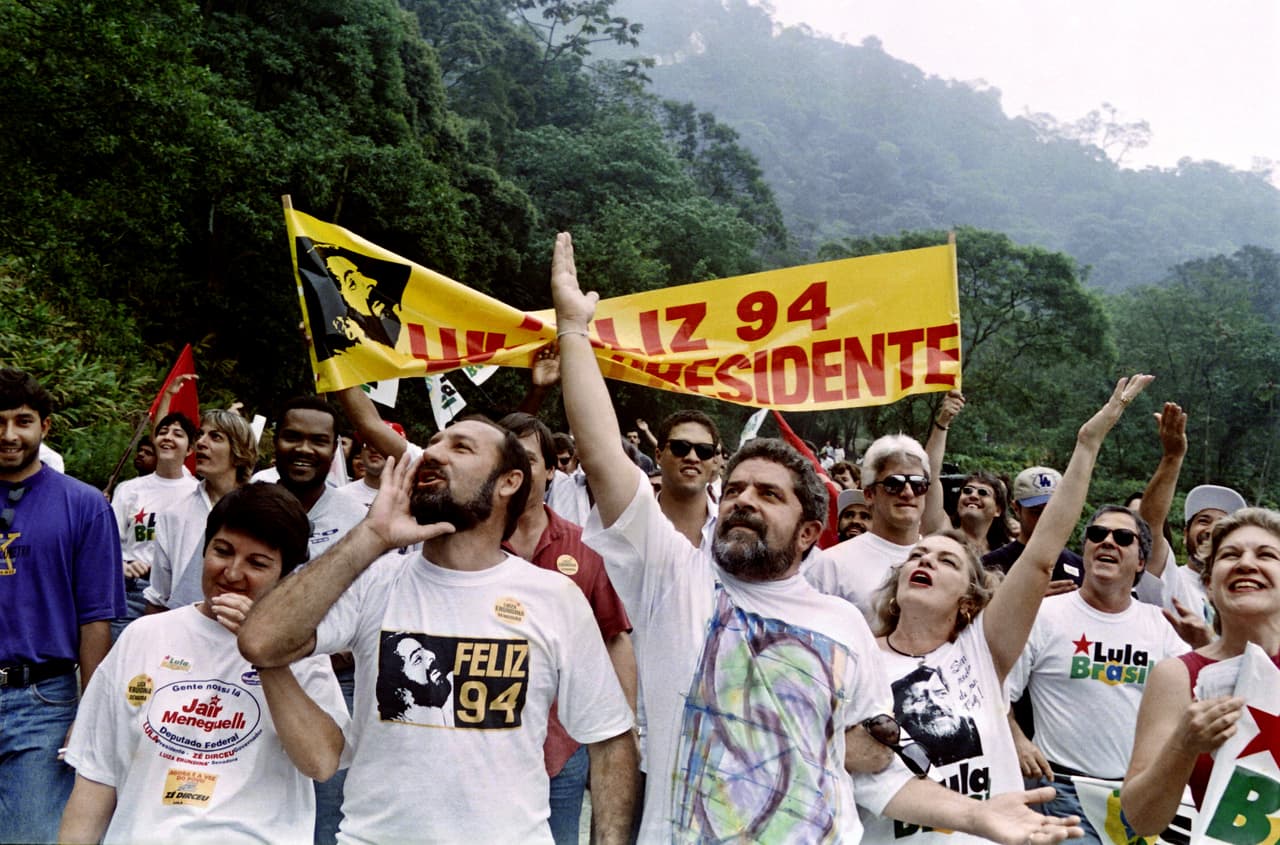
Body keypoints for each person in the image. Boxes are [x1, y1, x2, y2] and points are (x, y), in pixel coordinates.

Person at [550, 232, 1081, 844]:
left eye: (769, 494)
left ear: (809, 532)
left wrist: (976, 815)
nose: (744, 499)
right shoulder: (674, 579)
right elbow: (603, 457)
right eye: (737, 488)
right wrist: (574, 331)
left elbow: (877, 775)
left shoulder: (845, 625)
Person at [238, 417, 638, 843]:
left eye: (460, 447)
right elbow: (260, 641)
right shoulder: (375, 579)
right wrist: (371, 536)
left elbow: (610, 739)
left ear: (508, 481)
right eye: (433, 442)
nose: (432, 453)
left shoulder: (554, 597)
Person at [859, 375, 1151, 844]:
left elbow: (1040, 554)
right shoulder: (856, 655)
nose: (925, 561)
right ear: (896, 587)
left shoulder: (983, 649)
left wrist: (1087, 444)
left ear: (969, 599)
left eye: (947, 561)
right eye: (917, 556)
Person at [60, 483, 348, 844]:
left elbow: (321, 764)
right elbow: (96, 779)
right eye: (222, 551)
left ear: (285, 576)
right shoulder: (144, 636)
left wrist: (266, 655)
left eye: (257, 563)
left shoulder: (301, 653)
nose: (232, 573)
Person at [1007, 498, 1190, 843]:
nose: (1107, 541)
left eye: (1123, 538)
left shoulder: (1162, 626)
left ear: (1140, 561)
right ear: (1085, 549)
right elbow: (994, 690)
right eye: (1097, 534)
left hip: (1139, 796)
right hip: (1063, 792)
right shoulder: (1044, 615)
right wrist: (1017, 739)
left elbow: (1198, 697)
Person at [498, 411, 637, 845]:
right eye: (505, 458)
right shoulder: (465, 548)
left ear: (551, 470)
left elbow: (614, 637)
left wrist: (622, 735)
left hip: (562, 746)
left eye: (528, 459)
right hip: (482, 745)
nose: (516, 470)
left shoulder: (584, 546)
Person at [0, 368, 125, 844]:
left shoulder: (85, 506)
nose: (9, 434)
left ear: (45, 426)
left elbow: (95, 620)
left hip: (42, 702)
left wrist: (90, 715)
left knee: (30, 835)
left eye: (22, 421)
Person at [1120, 507, 1280, 834]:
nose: (1246, 563)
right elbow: (1141, 819)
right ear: (1208, 584)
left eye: (1266, 555)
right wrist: (1185, 743)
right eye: (1230, 555)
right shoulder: (1177, 676)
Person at [144, 408, 257, 611]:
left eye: (215, 437)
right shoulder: (175, 514)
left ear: (239, 450)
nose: (201, 443)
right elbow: (158, 598)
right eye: (201, 435)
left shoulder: (263, 511)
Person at [110, 412, 200, 638]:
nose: (168, 437)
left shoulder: (197, 493)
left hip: (177, 597)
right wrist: (123, 565)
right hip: (133, 591)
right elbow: (107, 543)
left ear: (190, 449)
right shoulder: (129, 489)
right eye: (163, 432)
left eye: (178, 434)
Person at [983, 466, 1086, 592]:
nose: (1046, 518)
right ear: (1016, 509)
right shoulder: (991, 565)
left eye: (1054, 510)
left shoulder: (1081, 566)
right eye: (1036, 512)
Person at [952, 471, 1011, 556]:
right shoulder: (944, 536)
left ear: (998, 510)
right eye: (967, 490)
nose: (973, 495)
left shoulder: (1004, 554)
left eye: (983, 492)